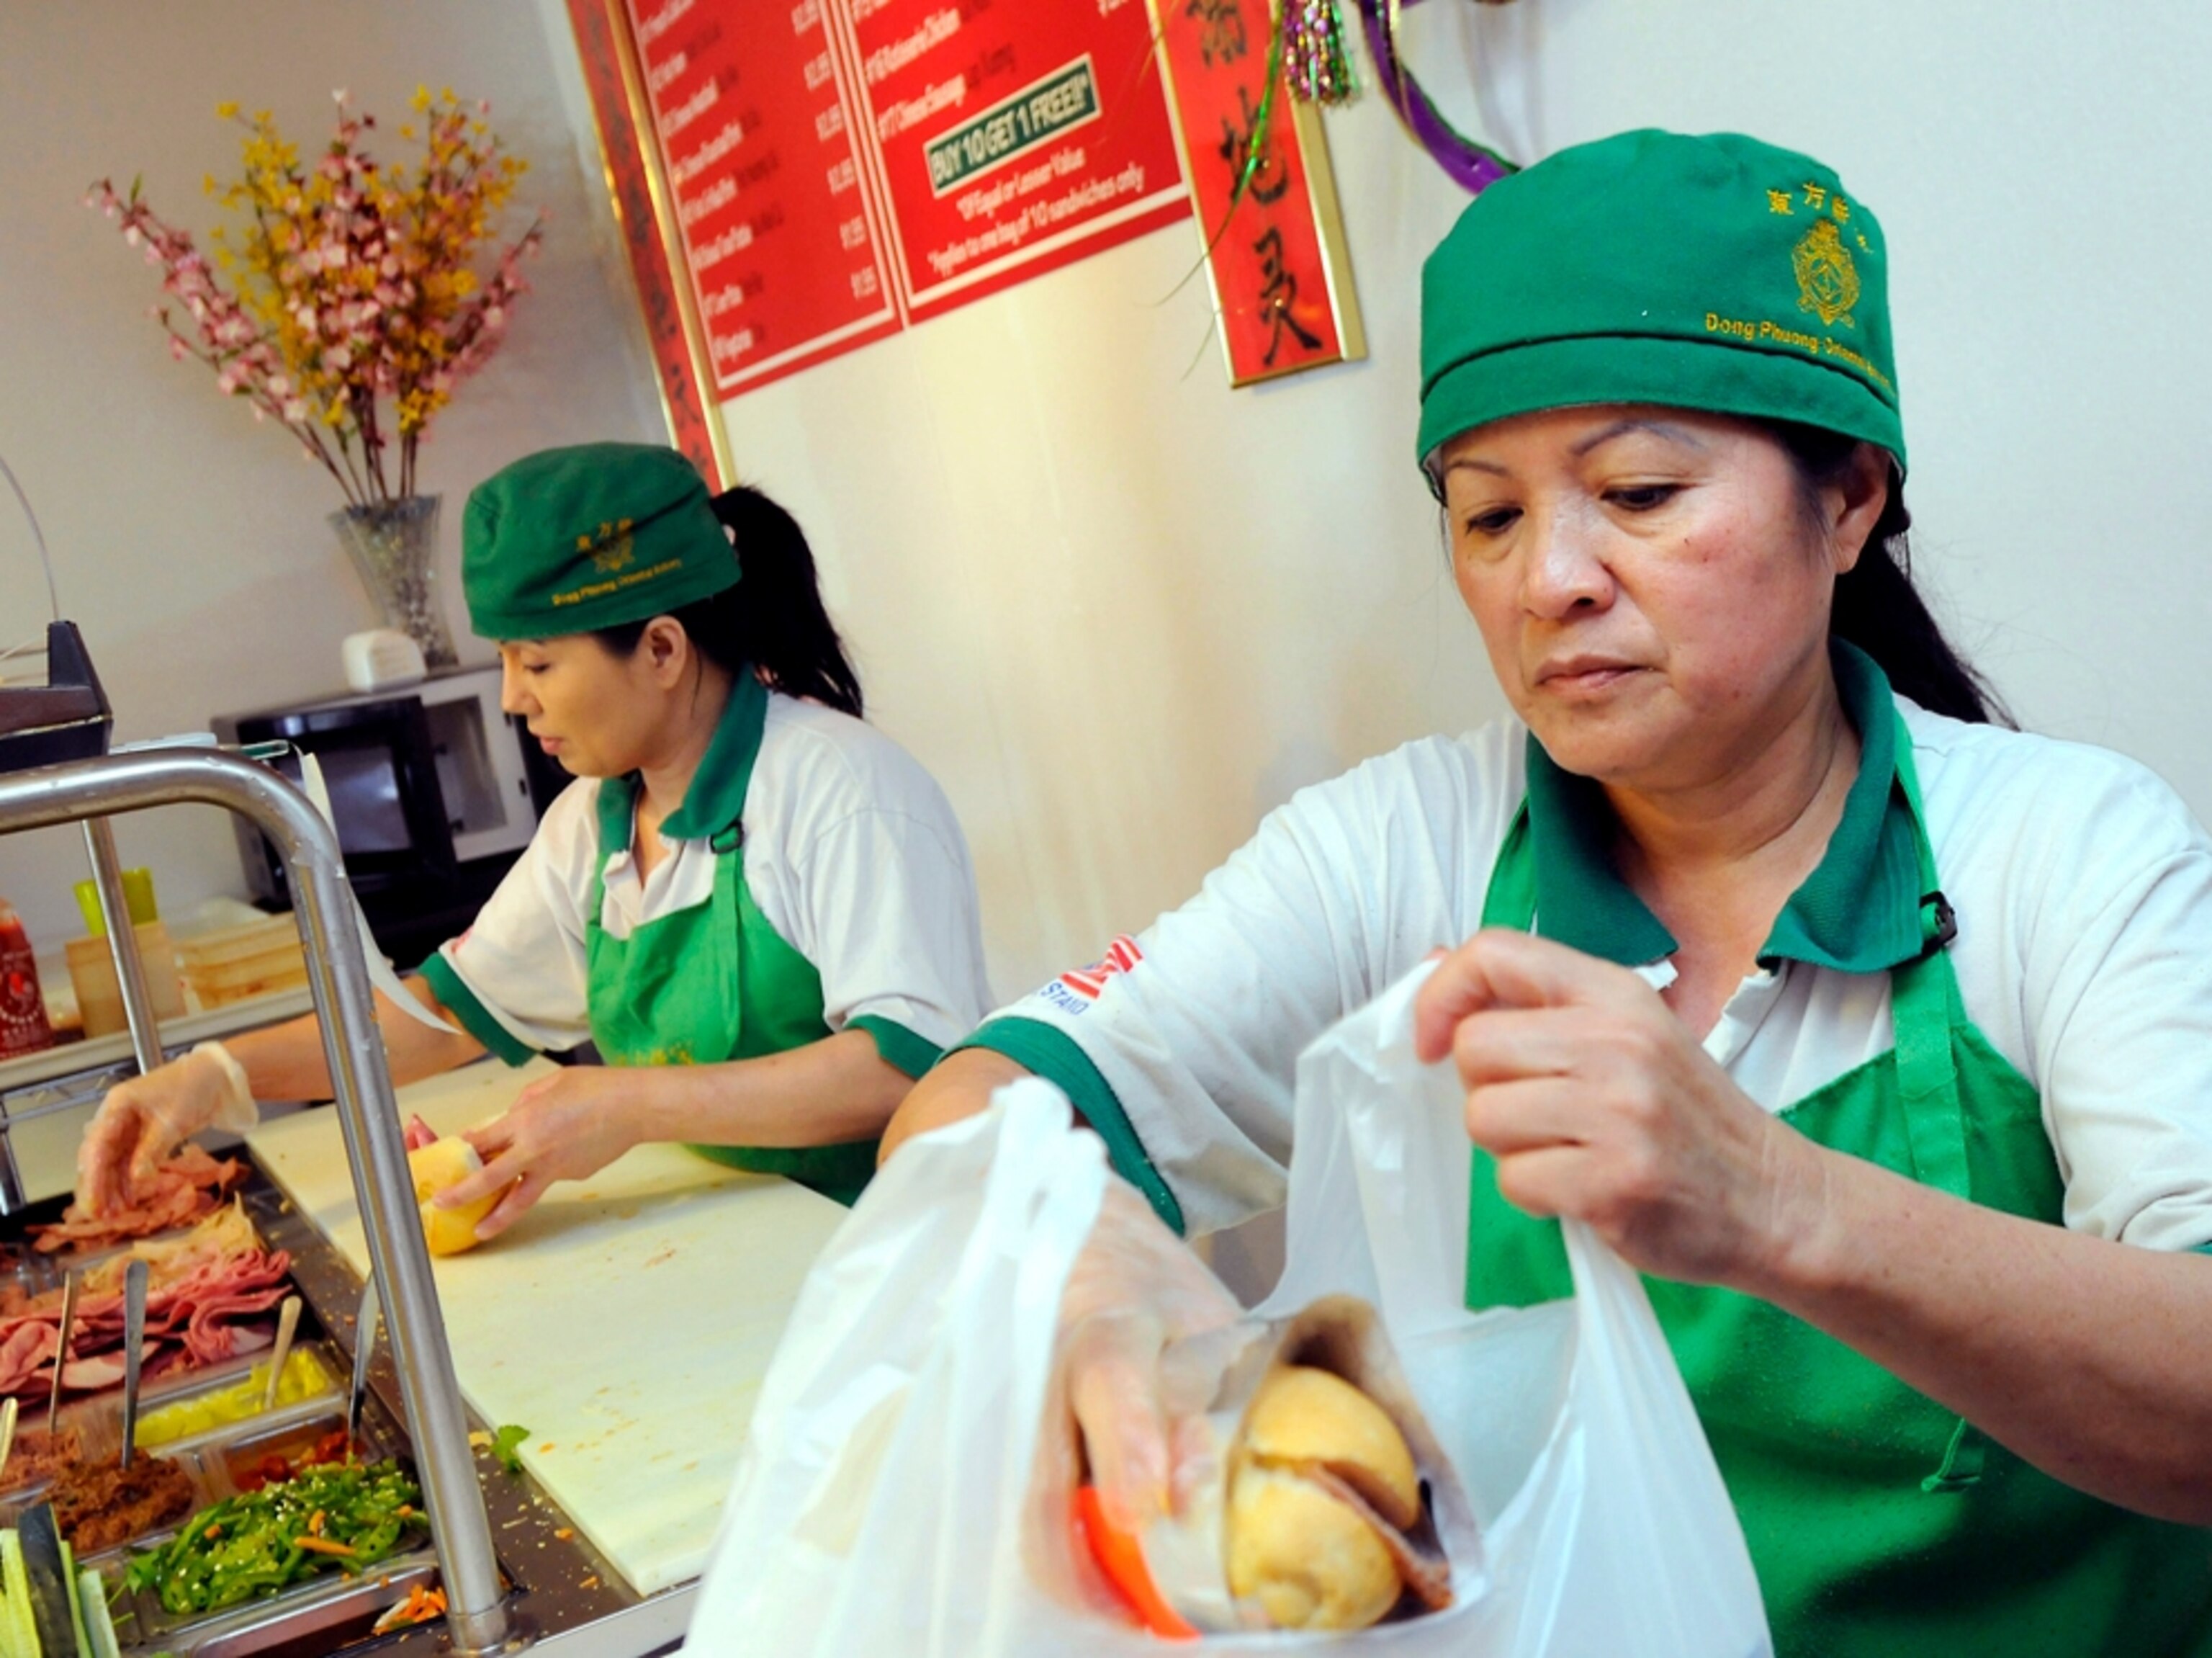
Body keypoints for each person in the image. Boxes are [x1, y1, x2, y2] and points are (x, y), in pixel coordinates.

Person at [880, 132, 2212, 1654]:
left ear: (1845, 503)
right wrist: (1102, 1280)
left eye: (1636, 491)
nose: (1547, 580)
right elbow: (983, 1087)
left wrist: (1777, 1200)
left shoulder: (2069, 850)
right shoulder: (1403, 851)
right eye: (1488, 511)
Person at [80, 442, 992, 1232]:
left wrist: (628, 1104)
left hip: (893, 1254)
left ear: (664, 650)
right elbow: (436, 1015)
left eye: (540, 662)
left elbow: (906, 1061)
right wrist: (216, 1074)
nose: (514, 698)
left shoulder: (841, 791)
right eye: (510, 661)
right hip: (738, 1252)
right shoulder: (593, 827)